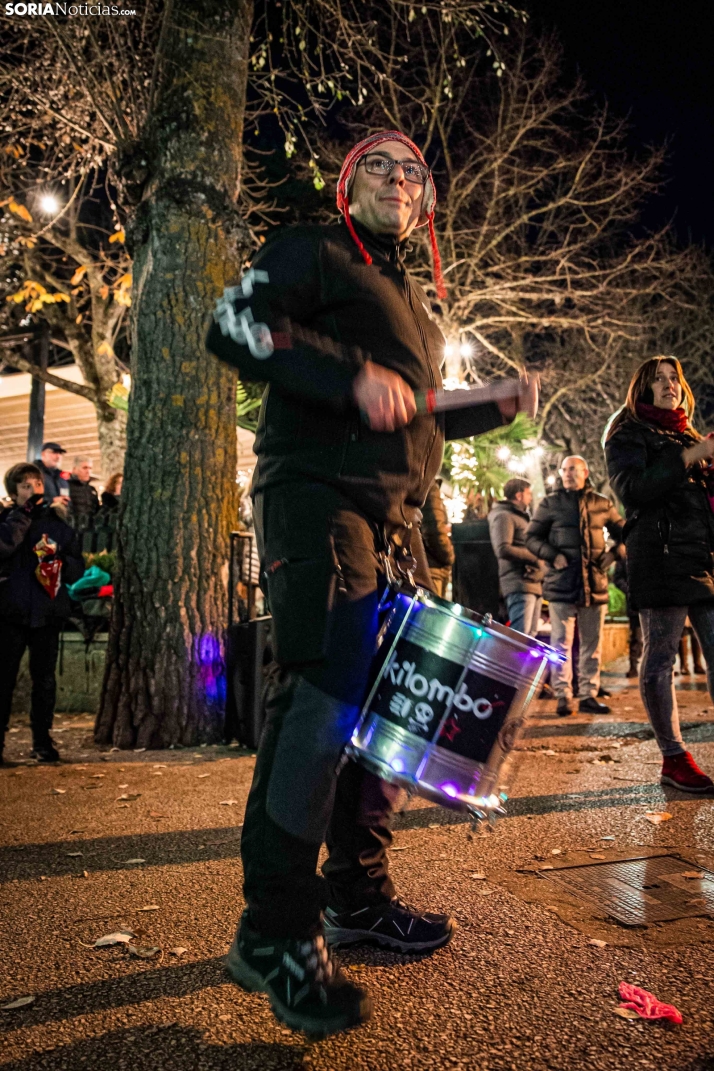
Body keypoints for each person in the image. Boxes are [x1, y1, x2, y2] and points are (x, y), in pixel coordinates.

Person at [207, 129, 535, 1037]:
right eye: (379, 168)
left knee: (378, 715)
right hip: (317, 500)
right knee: (319, 698)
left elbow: (413, 415)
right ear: (349, 188)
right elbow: (231, 324)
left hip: (390, 524)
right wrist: (349, 377)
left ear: (427, 204)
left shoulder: (410, 300)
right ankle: (275, 927)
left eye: (415, 172)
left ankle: (357, 897)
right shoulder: (312, 250)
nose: (399, 179)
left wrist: (493, 403)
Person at [605, 355, 714, 793]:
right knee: (661, 658)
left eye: (675, 378)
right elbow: (632, 490)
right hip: (660, 555)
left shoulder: (683, 431)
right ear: (643, 388)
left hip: (700, 557)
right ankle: (674, 758)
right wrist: (689, 458)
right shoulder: (627, 432)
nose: (669, 384)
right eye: (659, 379)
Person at [526, 456, 624, 717]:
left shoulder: (601, 503)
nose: (567, 474)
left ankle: (588, 695)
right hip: (562, 584)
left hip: (595, 584)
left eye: (573, 469)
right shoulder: (549, 503)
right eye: (564, 470)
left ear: (585, 472)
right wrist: (551, 555)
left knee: (592, 645)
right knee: (561, 644)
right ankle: (563, 695)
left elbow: (625, 532)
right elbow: (531, 537)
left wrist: (614, 554)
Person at [0, 463, 84, 764]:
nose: (32, 489)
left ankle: (42, 741)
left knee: (45, 679)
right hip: (10, 611)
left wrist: (57, 561)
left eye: (36, 483)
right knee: (4, 679)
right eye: (24, 485)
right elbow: (4, 548)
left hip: (48, 612)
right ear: (14, 490)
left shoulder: (58, 523)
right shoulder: (6, 518)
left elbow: (78, 567)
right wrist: (21, 516)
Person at [488, 477, 544, 636]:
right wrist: (535, 557)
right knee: (521, 636)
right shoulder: (504, 516)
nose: (530, 497)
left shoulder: (519, 516)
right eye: (528, 494)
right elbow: (503, 548)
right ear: (519, 496)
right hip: (519, 581)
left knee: (530, 635)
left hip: (531, 581)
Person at [420, 480, 454, 597]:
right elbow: (435, 532)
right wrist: (450, 556)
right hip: (430, 569)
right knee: (427, 614)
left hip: (422, 566)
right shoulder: (428, 485)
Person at [34, 442, 70, 506]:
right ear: (43, 454)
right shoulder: (34, 474)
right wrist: (52, 501)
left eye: (60, 453)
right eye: (54, 452)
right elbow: (27, 502)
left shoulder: (62, 479)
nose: (58, 456)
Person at [68, 456, 99, 524]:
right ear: (74, 469)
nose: (88, 471)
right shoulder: (67, 487)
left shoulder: (92, 490)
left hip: (90, 529)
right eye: (85, 468)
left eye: (90, 468)